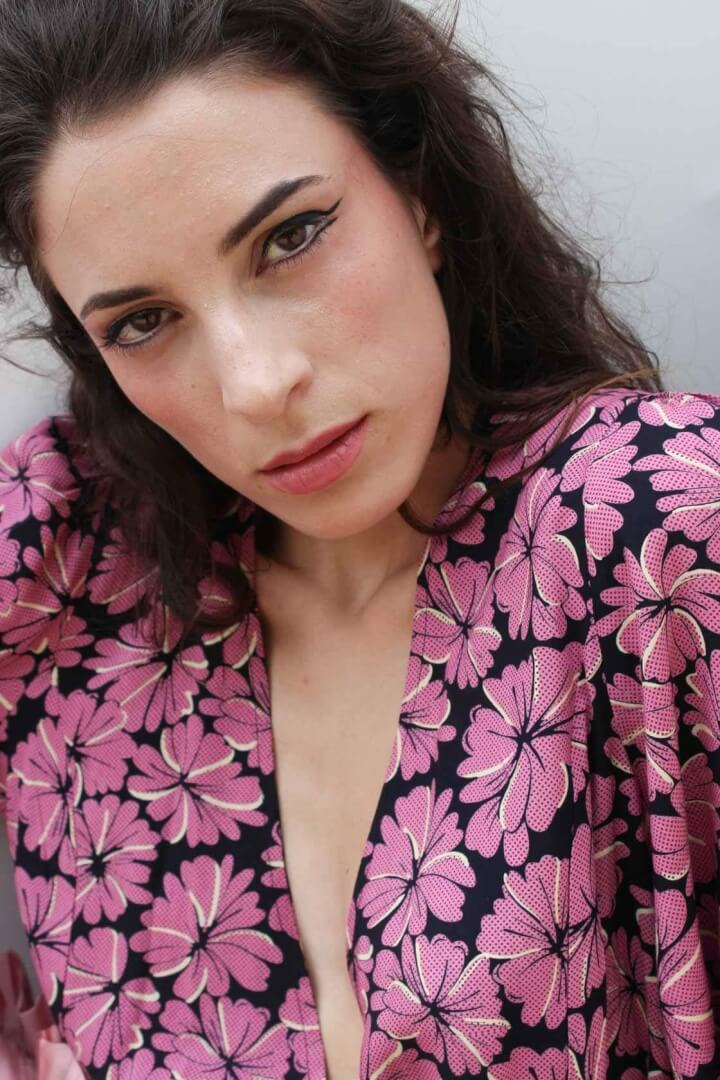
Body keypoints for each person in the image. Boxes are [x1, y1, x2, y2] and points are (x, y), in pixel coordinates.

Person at [0, 0, 718, 1076]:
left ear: (417, 191)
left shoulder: (660, 524)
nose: (255, 385)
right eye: (143, 322)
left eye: (290, 238)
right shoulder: (61, 573)